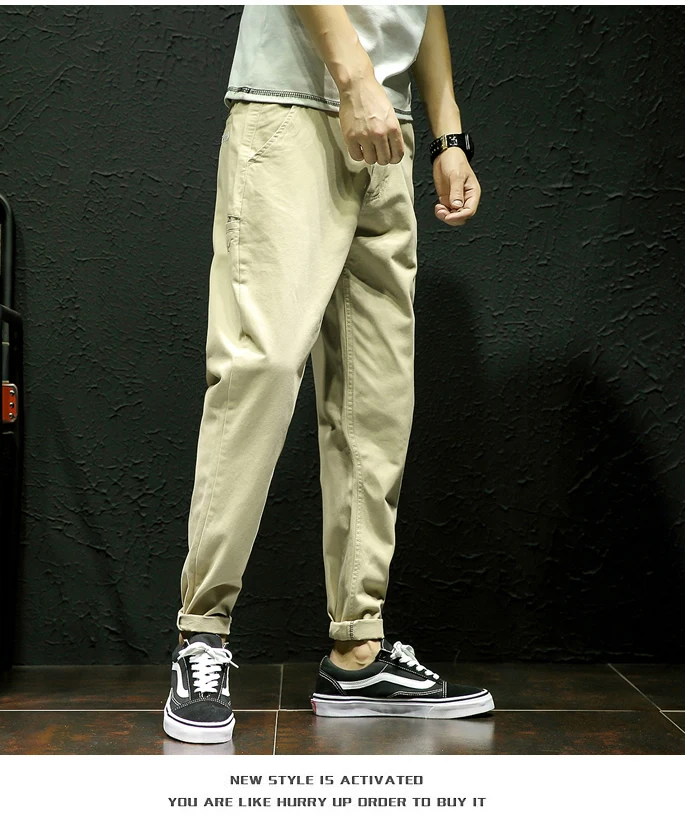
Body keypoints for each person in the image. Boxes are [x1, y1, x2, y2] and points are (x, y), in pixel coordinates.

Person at [163, 5, 494, 745]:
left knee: (375, 396)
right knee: (262, 365)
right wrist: (353, 75)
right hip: (293, 104)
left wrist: (446, 134)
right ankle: (201, 634)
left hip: (387, 125)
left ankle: (358, 649)